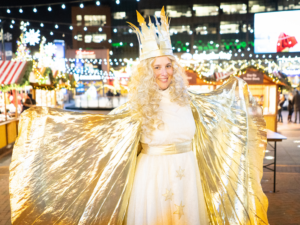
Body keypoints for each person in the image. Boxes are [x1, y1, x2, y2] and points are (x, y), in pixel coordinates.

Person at [9, 7, 268, 225]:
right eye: (157, 66)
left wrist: (238, 96)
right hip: (151, 178)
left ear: (175, 69)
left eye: (168, 65)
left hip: (187, 176)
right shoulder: (137, 107)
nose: (163, 72)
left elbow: (222, 118)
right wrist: (51, 125)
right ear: (147, 70)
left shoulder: (192, 102)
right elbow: (100, 130)